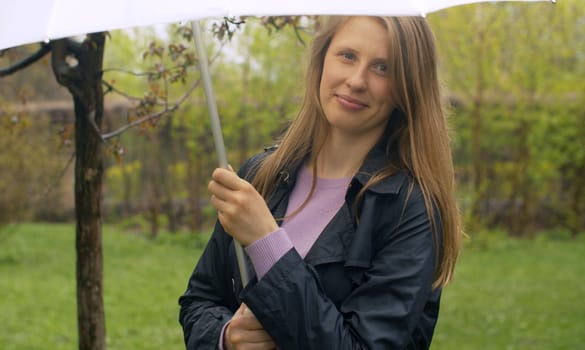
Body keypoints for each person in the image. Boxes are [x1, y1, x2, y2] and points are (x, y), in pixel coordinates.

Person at [179, 15, 462, 350]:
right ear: (321, 61)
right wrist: (225, 337)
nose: (357, 80)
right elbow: (200, 300)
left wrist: (266, 241)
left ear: (407, 86)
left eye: (382, 68)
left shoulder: (410, 207)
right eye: (347, 56)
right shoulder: (262, 175)